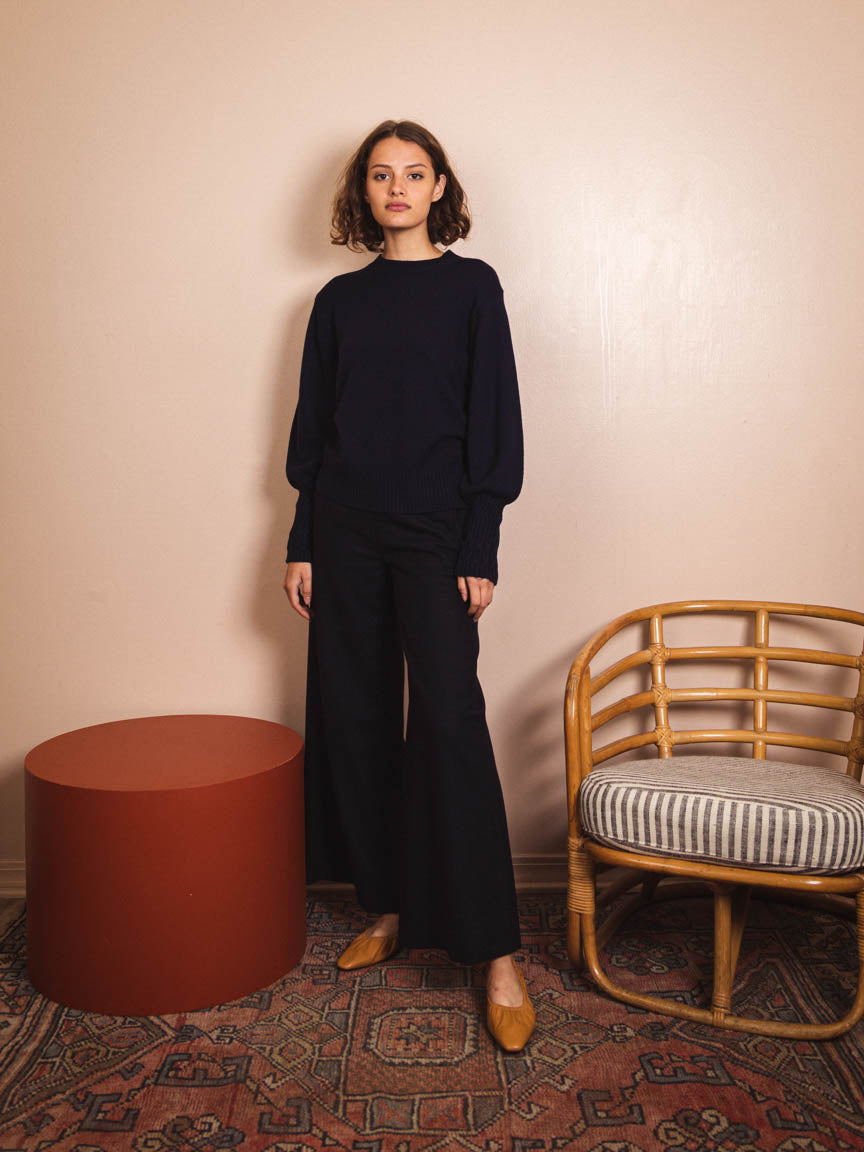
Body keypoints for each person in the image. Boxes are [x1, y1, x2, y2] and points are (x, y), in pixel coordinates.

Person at [282, 119, 534, 1051]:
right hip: (342, 531)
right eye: (381, 174)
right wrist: (303, 541)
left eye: (414, 173)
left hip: (435, 534)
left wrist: (480, 544)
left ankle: (497, 954)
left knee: (450, 723)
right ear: (364, 192)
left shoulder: (473, 288)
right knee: (353, 719)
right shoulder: (337, 301)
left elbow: (494, 421)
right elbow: (315, 430)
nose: (397, 187)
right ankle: (385, 906)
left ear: (438, 189)